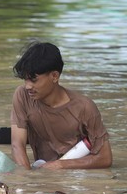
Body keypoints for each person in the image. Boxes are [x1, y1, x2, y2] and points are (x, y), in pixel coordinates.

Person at [10, 41, 113, 170]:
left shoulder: (84, 107)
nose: (28, 86)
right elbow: (17, 144)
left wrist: (60, 165)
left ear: (54, 76)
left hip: (76, 178)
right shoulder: (22, 96)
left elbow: (105, 158)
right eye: (25, 79)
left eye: (33, 79)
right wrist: (27, 179)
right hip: (42, 171)